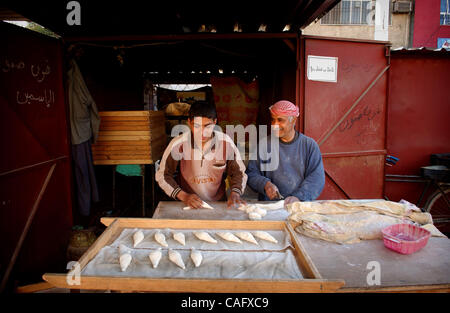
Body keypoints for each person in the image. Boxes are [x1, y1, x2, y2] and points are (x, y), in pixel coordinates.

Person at [156, 100, 247, 209]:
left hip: (218, 204)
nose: (203, 132)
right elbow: (162, 175)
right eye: (197, 126)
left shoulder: (225, 143)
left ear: (214, 122)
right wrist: (184, 196)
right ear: (189, 123)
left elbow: (239, 172)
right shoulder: (178, 144)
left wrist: (235, 192)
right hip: (187, 205)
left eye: (207, 126)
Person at [246, 100, 325, 206]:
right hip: (270, 208)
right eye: (273, 120)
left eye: (280, 120)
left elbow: (317, 178)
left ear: (293, 121)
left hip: (299, 206)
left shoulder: (309, 145)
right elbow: (251, 173)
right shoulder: (264, 145)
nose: (275, 125)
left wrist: (298, 196)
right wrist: (265, 184)